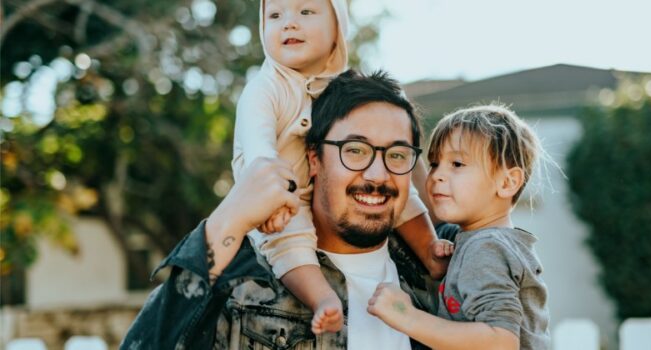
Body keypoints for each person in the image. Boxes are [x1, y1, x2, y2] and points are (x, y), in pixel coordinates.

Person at [121, 70, 450, 350]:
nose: (377, 175)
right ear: (314, 158)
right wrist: (227, 219)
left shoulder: (449, 269)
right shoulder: (246, 284)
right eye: (355, 150)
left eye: (396, 155)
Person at [232, 0, 450, 334]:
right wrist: (273, 200)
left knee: (395, 187)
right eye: (275, 16)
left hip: (314, 189)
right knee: (289, 241)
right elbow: (260, 154)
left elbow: (401, 164)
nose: (288, 24)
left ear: (338, 28)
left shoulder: (345, 87)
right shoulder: (265, 90)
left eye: (305, 12)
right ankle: (322, 298)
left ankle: (430, 250)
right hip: (278, 198)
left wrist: (396, 140)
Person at [367, 105, 552, 349]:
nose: (436, 176)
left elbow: (501, 341)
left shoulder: (486, 248)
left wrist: (406, 316)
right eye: (434, 163)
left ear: (507, 182)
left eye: (456, 164)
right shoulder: (477, 242)